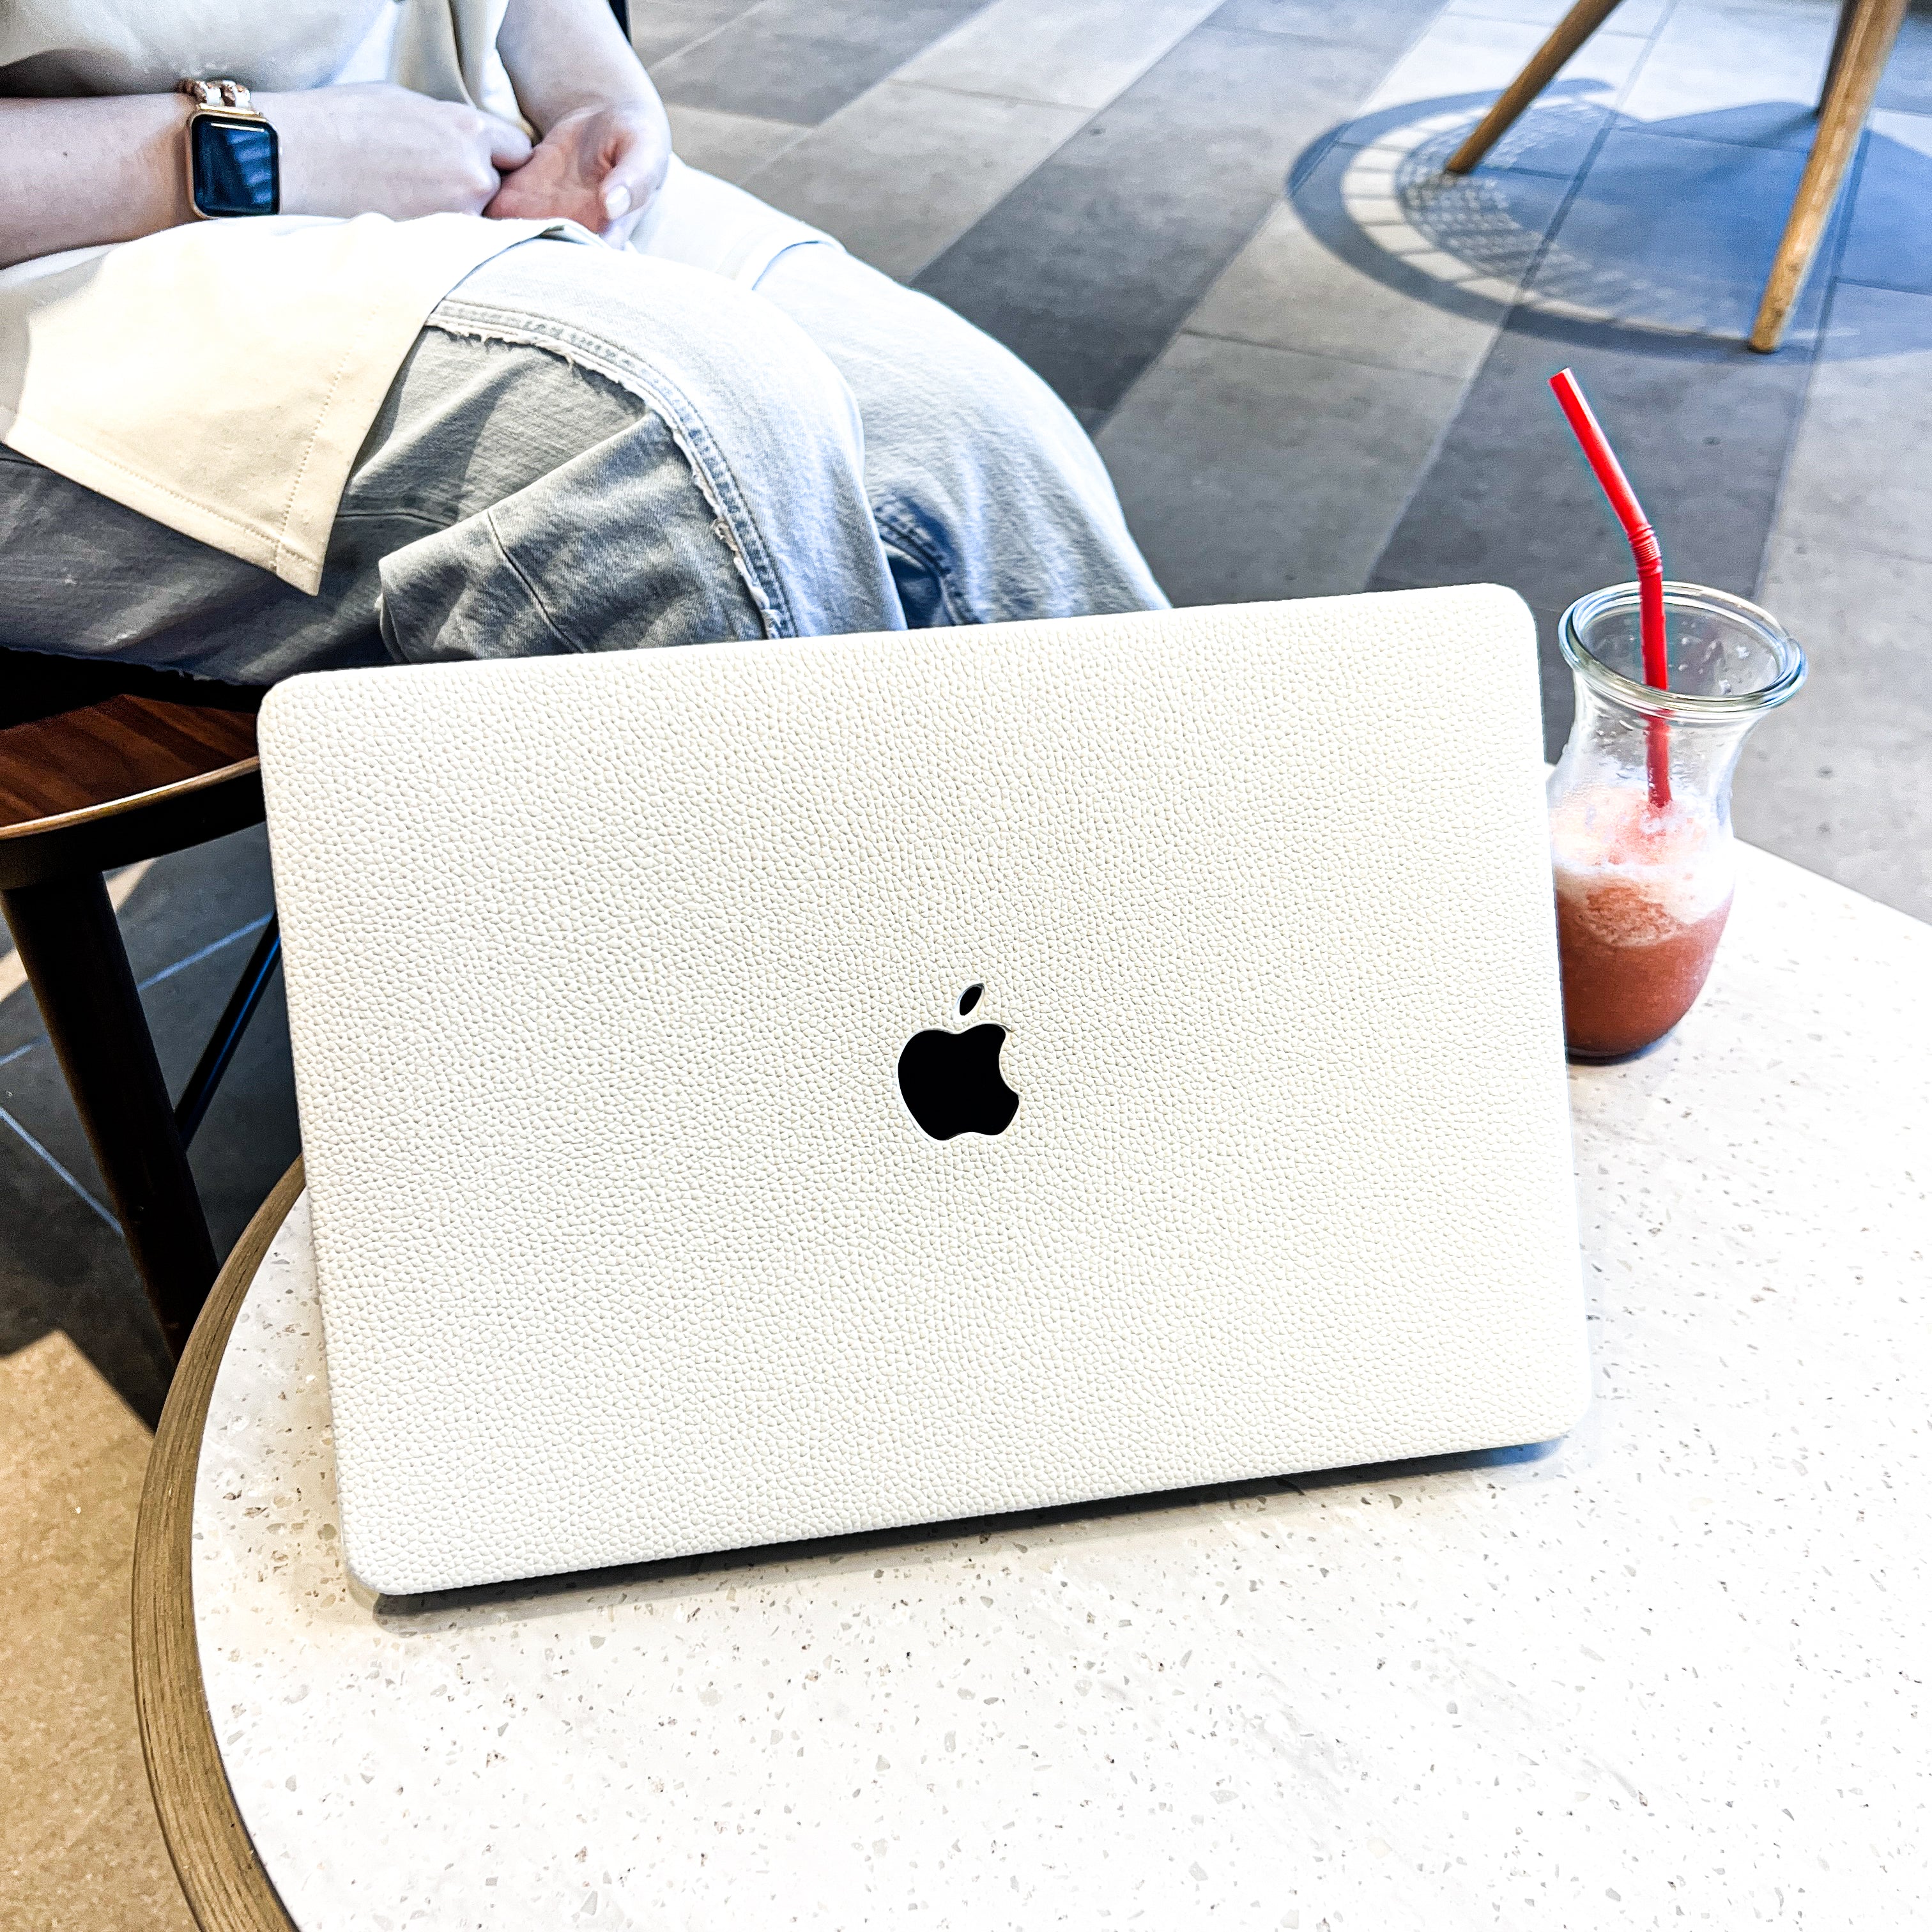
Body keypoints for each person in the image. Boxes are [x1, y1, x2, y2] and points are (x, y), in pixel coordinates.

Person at [0, 0, 1163, 687]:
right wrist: (263, 154)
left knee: (964, 436)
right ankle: (830, 1025)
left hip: (446, 141)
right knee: (664, 455)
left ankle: (1177, 984)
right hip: (73, 253)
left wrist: (598, 92)